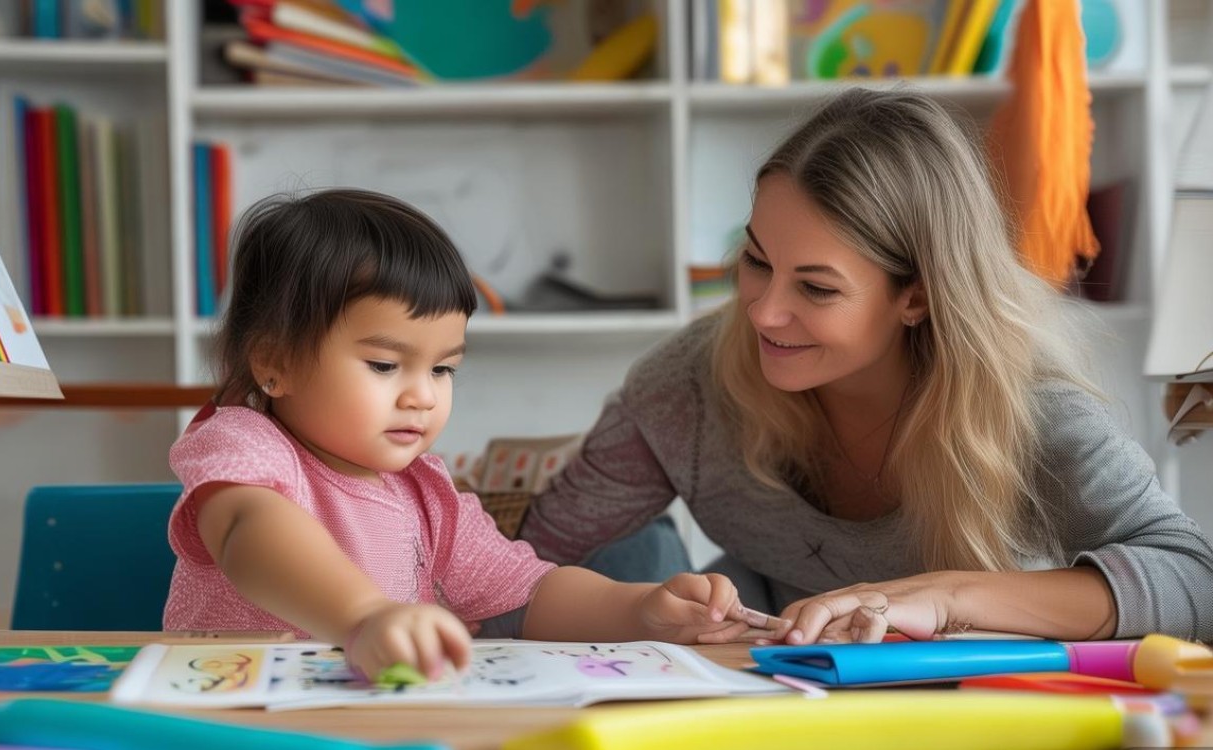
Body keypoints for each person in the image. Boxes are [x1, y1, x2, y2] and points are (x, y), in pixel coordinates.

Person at [520, 88, 1213, 646]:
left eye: (816, 288)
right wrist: (638, 610)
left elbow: (1196, 581)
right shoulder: (687, 387)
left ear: (917, 296)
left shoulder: (1029, 409)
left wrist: (945, 597)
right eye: (756, 260)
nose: (762, 313)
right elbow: (498, 578)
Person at [162, 188, 756, 682]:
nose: (422, 394)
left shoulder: (423, 492)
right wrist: (364, 616)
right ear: (275, 364)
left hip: (358, 721)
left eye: (442, 369)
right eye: (384, 365)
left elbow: (532, 591)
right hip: (225, 712)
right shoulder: (245, 442)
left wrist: (642, 609)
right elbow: (249, 532)